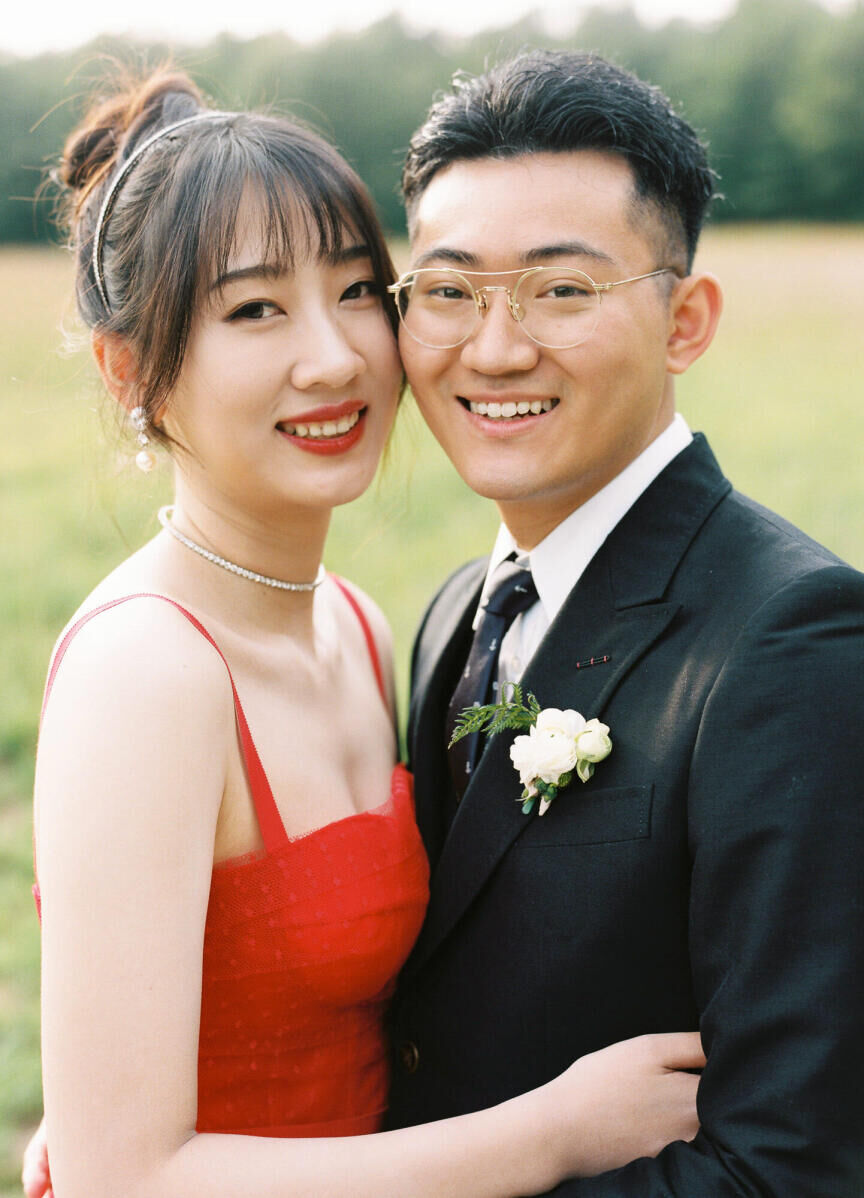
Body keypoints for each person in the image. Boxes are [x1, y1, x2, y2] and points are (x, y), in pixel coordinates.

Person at [22, 67, 705, 1198]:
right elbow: (124, 1180)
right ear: (132, 371)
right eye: (254, 310)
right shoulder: (147, 672)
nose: (335, 357)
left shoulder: (357, 623)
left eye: (355, 291)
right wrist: (557, 1131)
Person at [383, 49, 864, 1196]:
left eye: (561, 290)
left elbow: (789, 1170)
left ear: (685, 320)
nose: (493, 349)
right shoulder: (461, 607)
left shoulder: (793, 639)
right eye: (448, 291)